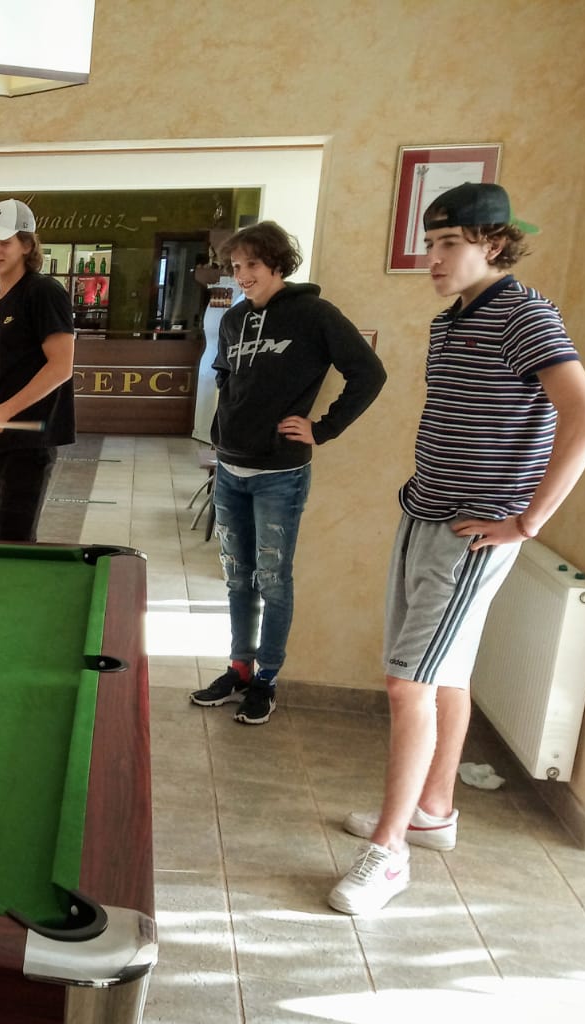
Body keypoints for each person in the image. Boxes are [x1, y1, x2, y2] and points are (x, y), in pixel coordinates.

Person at [331, 183, 585, 915]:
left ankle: (389, 852)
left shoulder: (525, 315)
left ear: (494, 243)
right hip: (424, 515)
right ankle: (432, 812)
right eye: (431, 243)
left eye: (449, 243)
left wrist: (527, 523)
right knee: (441, 675)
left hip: (474, 532)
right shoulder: (452, 319)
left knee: (407, 684)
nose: (434, 258)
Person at [190, 220, 386, 724]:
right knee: (237, 579)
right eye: (236, 266)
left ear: (277, 263)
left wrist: (324, 428)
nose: (242, 275)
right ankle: (238, 668)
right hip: (229, 469)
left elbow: (369, 373)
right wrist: (224, 433)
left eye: (252, 264)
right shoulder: (234, 319)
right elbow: (226, 379)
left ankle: (266, 679)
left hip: (280, 474)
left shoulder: (314, 315)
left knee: (273, 580)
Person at [0, 198, 75, 542]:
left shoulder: (44, 292)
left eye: (4, 242)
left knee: (14, 540)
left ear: (27, 245)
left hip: (27, 443)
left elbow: (61, 366)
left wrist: (8, 410)